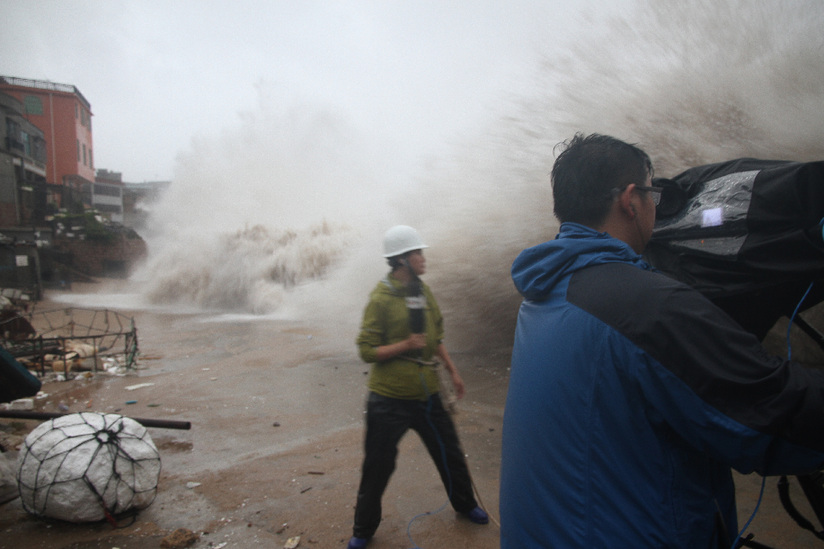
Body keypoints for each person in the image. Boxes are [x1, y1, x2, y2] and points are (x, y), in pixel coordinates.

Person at [499, 133, 824, 548]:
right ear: (630, 200)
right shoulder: (647, 307)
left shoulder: (545, 294)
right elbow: (770, 415)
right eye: (653, 193)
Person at [347, 225, 488, 549]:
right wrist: (405, 344)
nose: (423, 258)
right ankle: (363, 530)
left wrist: (453, 371)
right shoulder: (380, 298)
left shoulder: (423, 292)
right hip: (388, 400)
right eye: (417, 253)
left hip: (427, 395)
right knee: (377, 467)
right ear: (401, 260)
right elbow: (366, 350)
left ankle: (465, 505)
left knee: (450, 453)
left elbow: (435, 337)